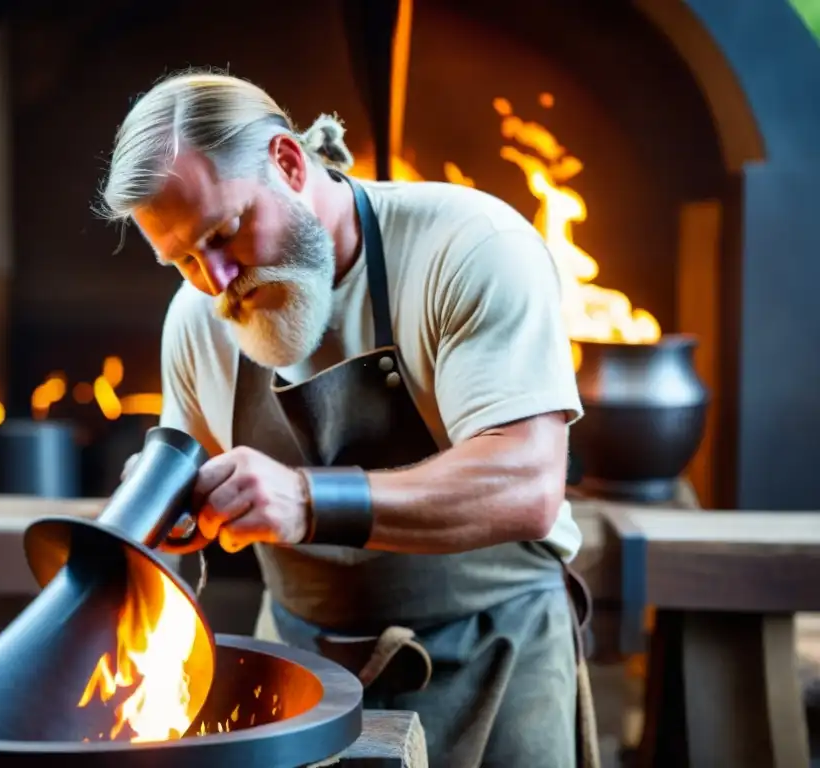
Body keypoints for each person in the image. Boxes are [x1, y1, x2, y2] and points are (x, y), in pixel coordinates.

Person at [108, 71, 596, 768]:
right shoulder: (198, 321)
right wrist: (151, 522)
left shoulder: (469, 246)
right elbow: (171, 515)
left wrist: (307, 501)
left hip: (497, 659)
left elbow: (527, 483)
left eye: (226, 231)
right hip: (301, 686)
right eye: (182, 259)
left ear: (288, 162)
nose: (216, 281)